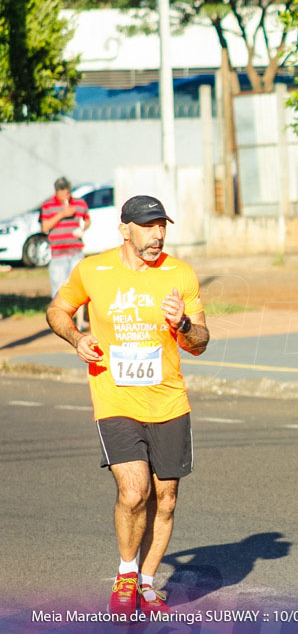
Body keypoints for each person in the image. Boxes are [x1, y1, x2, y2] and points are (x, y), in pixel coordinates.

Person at [45, 195, 209, 619]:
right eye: (148, 226)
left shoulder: (180, 274)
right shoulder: (92, 270)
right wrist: (76, 339)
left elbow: (201, 344)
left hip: (169, 400)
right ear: (125, 230)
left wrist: (184, 325)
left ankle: (149, 582)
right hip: (114, 398)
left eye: (162, 226)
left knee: (166, 498)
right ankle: (125, 573)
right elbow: (58, 310)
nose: (157, 234)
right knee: (134, 491)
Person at [40, 177, 90, 330]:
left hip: (75, 250)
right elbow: (45, 227)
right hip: (58, 253)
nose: (66, 196)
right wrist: (62, 214)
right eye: (63, 193)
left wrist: (82, 228)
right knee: (59, 289)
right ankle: (61, 321)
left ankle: (81, 322)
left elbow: (87, 220)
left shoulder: (79, 203)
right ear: (57, 192)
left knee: (79, 287)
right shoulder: (48, 205)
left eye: (68, 193)